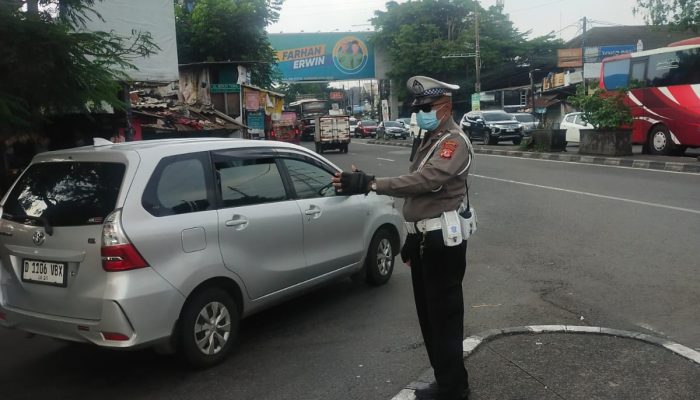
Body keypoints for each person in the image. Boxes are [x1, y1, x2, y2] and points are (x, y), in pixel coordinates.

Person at [332, 76, 474, 400]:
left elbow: (425, 181)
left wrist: (370, 183)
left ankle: (454, 388)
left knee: (445, 319)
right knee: (428, 318)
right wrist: (411, 235)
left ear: (445, 107)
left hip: (443, 244)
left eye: (426, 107)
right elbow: (420, 198)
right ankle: (445, 381)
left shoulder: (454, 142)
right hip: (426, 240)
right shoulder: (429, 139)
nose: (420, 112)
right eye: (418, 108)